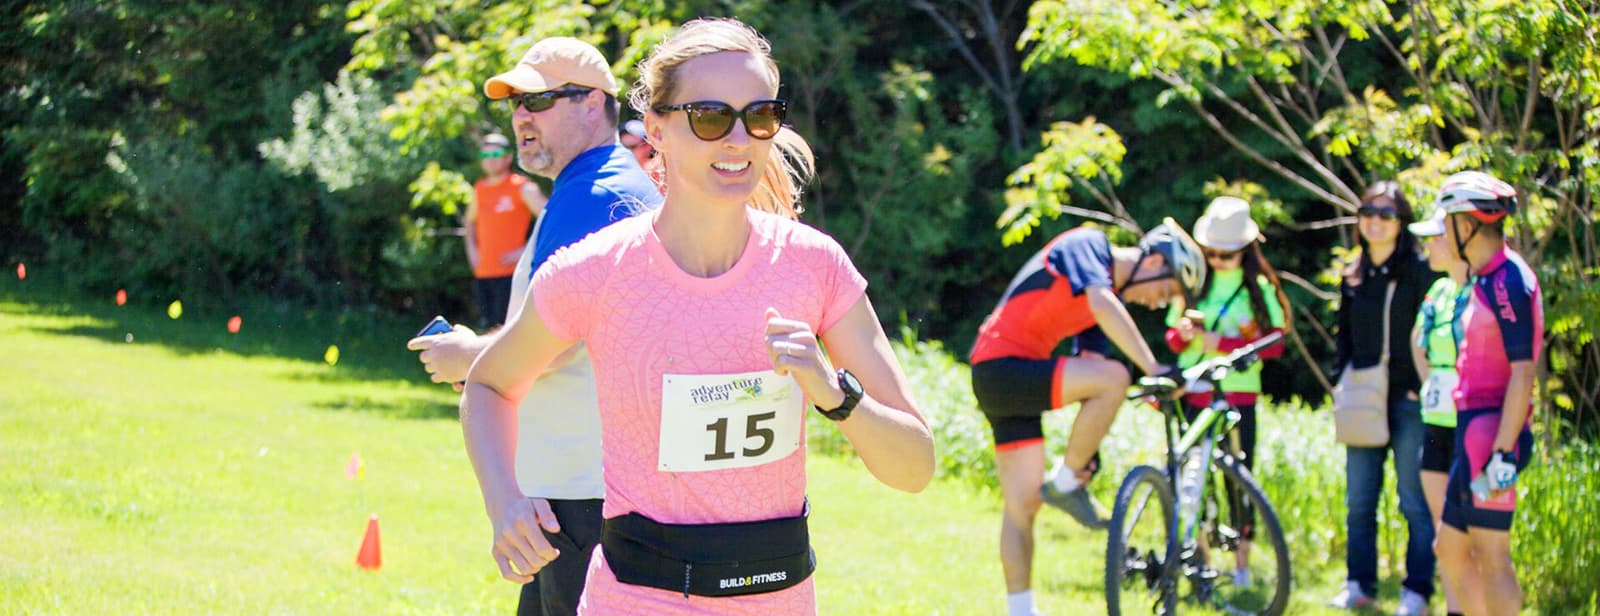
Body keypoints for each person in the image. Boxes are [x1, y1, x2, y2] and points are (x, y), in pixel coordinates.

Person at [460, 18, 935, 615]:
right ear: (655, 128)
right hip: (635, 598)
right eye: (711, 117)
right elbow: (489, 385)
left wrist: (835, 393)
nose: (738, 140)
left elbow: (916, 466)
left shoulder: (815, 267)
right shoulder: (596, 270)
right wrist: (503, 502)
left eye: (759, 116)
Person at [407, 36, 664, 616]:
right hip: (581, 494)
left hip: (586, 500)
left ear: (593, 103)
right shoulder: (593, 186)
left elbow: (550, 346)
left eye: (540, 100)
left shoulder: (595, 195)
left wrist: (470, 356)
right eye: (516, 103)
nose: (522, 116)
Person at [969, 216, 1206, 616]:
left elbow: (1091, 372)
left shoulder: (1102, 301)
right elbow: (1102, 311)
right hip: (1004, 367)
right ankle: (1064, 483)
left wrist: (1088, 452)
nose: (1157, 304)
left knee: (1021, 506)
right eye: (1165, 291)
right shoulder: (1089, 247)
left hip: (998, 377)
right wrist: (1153, 368)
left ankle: (1020, 610)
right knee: (1118, 376)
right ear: (1151, 263)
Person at [1326, 181, 1441, 614]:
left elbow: (1427, 333)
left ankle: (1417, 591)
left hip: (1408, 402)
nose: (1374, 221)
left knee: (1414, 500)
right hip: (1362, 399)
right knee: (1359, 499)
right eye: (1368, 212)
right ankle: (1359, 583)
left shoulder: (1417, 269)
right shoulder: (1353, 273)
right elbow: (1344, 338)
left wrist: (1418, 382)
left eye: (1386, 214)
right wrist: (1339, 382)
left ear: (1402, 222)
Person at [1430, 171, 1539, 616]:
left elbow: (1524, 370)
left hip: (1493, 433)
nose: (1442, 229)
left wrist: (1501, 452)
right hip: (1473, 429)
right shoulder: (1484, 276)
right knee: (1450, 548)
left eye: (1448, 219)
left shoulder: (1508, 280)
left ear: (1468, 224)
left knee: (1493, 556)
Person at [1165, 196, 1288, 587]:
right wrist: (1184, 336)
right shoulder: (1194, 283)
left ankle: (1241, 568)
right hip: (1193, 392)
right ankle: (1199, 559)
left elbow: (1275, 343)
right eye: (1212, 252)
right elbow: (1171, 338)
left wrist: (1219, 342)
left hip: (1237, 395)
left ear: (1244, 252)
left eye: (1226, 255)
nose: (1217, 260)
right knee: (1191, 480)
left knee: (1239, 480)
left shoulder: (1259, 288)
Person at [1407, 207, 1469, 616]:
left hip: (1470, 425)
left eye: (1436, 236)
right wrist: (1432, 381)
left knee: (1472, 532)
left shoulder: (1483, 290)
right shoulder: (1439, 291)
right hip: (1435, 423)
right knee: (1443, 531)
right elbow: (1417, 340)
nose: (1429, 245)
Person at [466, 133, 546, 329]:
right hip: (484, 273)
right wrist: (472, 252)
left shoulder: (522, 187)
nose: (491, 160)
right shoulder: (479, 189)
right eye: (485, 156)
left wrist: (526, 251)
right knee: (488, 330)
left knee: (509, 332)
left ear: (508, 157)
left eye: (496, 154)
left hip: (512, 274)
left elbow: (551, 219)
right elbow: (470, 222)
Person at [620, 119, 665, 190]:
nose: (626, 151)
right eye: (623, 146)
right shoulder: (622, 171)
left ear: (648, 145)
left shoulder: (657, 170)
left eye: (632, 147)